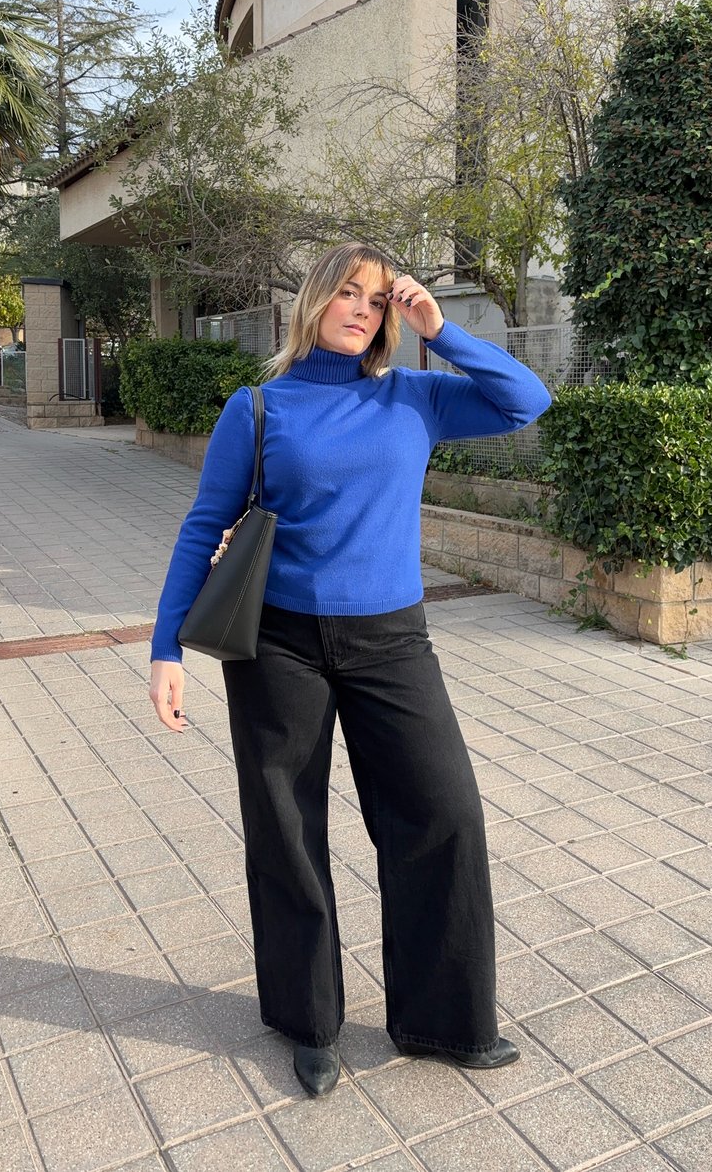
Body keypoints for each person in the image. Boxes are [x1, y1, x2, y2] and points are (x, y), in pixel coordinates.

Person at [149, 243, 552, 1097]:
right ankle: (310, 1023)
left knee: (443, 814)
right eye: (350, 292)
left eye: (381, 299)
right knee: (287, 833)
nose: (365, 309)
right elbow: (202, 527)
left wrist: (441, 331)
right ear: (315, 300)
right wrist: (165, 648)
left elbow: (527, 401)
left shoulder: (418, 396)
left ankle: (444, 1021)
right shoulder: (258, 408)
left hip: (394, 642)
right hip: (281, 645)